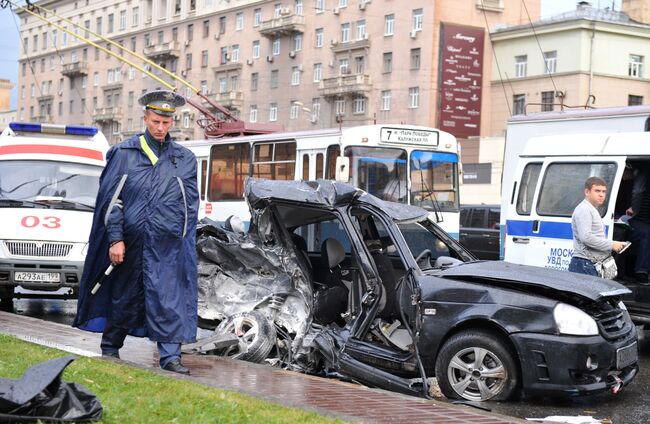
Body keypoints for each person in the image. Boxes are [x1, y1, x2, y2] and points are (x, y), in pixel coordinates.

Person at [73, 90, 199, 374]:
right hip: (130, 244)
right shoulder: (125, 154)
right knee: (125, 296)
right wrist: (115, 238)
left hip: (167, 247)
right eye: (155, 121)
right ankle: (110, 347)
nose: (160, 128)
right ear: (145, 118)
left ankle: (170, 358)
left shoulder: (184, 159)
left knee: (168, 298)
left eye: (166, 123)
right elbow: (111, 201)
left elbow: (189, 206)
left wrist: (183, 242)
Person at [569, 176, 626, 276]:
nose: (601, 195)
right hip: (584, 264)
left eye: (604, 192)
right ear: (587, 192)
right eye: (597, 191)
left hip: (588, 264)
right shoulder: (584, 210)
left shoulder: (591, 209)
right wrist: (612, 244)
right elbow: (586, 238)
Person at [625, 167, 650, 283]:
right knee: (647, 233)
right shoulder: (643, 173)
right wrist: (634, 209)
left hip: (642, 220)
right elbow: (638, 191)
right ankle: (641, 271)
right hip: (635, 219)